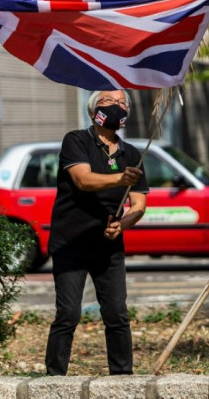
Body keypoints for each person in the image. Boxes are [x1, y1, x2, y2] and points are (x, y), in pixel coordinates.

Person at [45, 89, 148, 376]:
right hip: (71, 241)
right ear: (93, 111)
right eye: (108, 101)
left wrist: (123, 225)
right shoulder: (77, 140)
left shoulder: (133, 154)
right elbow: (82, 180)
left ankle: (122, 376)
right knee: (68, 314)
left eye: (122, 103)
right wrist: (120, 177)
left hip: (108, 244)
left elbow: (139, 204)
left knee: (116, 313)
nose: (116, 106)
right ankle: (54, 378)